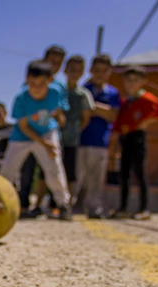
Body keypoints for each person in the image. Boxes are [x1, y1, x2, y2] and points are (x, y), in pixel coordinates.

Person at [0, 60, 72, 221]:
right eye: (33, 83)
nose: (37, 88)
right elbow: (24, 126)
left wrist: (57, 127)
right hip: (22, 136)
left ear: (50, 80)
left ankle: (63, 204)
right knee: (8, 170)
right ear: (26, 79)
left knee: (54, 169)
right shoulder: (20, 98)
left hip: (46, 132)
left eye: (42, 83)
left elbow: (56, 112)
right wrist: (43, 144)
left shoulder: (55, 93)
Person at [110, 65, 158, 220]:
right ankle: (123, 208)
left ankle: (143, 209)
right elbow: (118, 124)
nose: (131, 83)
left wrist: (148, 121)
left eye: (135, 80)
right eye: (128, 80)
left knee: (139, 173)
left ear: (143, 81)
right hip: (125, 139)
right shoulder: (125, 102)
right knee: (123, 174)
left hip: (138, 137)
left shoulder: (147, 98)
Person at [20, 45, 69, 217]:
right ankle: (23, 204)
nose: (55, 65)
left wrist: (59, 118)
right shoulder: (31, 80)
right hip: (28, 133)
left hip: (47, 133)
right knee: (27, 169)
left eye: (58, 62)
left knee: (51, 170)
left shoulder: (60, 86)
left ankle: (58, 204)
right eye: (51, 61)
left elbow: (61, 110)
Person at [73, 54, 121, 218]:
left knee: (97, 178)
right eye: (97, 70)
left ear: (109, 72)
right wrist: (102, 110)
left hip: (101, 141)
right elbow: (83, 112)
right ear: (91, 70)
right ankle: (71, 206)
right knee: (77, 176)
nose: (100, 74)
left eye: (104, 70)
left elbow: (113, 115)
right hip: (81, 140)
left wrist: (93, 107)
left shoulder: (113, 93)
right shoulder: (83, 89)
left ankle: (94, 207)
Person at [61, 55, 95, 195]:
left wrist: (74, 130)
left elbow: (86, 119)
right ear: (65, 70)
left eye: (78, 70)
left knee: (69, 173)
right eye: (72, 69)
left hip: (72, 141)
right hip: (54, 139)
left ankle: (66, 203)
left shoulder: (83, 94)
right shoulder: (57, 91)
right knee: (49, 172)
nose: (74, 73)